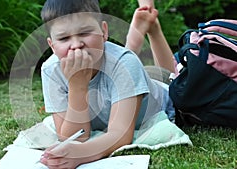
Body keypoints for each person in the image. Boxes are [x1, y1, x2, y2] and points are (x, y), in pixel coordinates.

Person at [40, 0, 175, 168]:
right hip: (126, 77)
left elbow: (121, 134)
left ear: (104, 31)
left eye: (84, 33)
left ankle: (152, 29)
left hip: (162, 95)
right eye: (64, 38)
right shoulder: (50, 69)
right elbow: (75, 137)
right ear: (52, 45)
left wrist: (83, 154)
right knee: (127, 67)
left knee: (173, 77)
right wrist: (77, 87)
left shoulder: (125, 64)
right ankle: (136, 37)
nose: (76, 45)